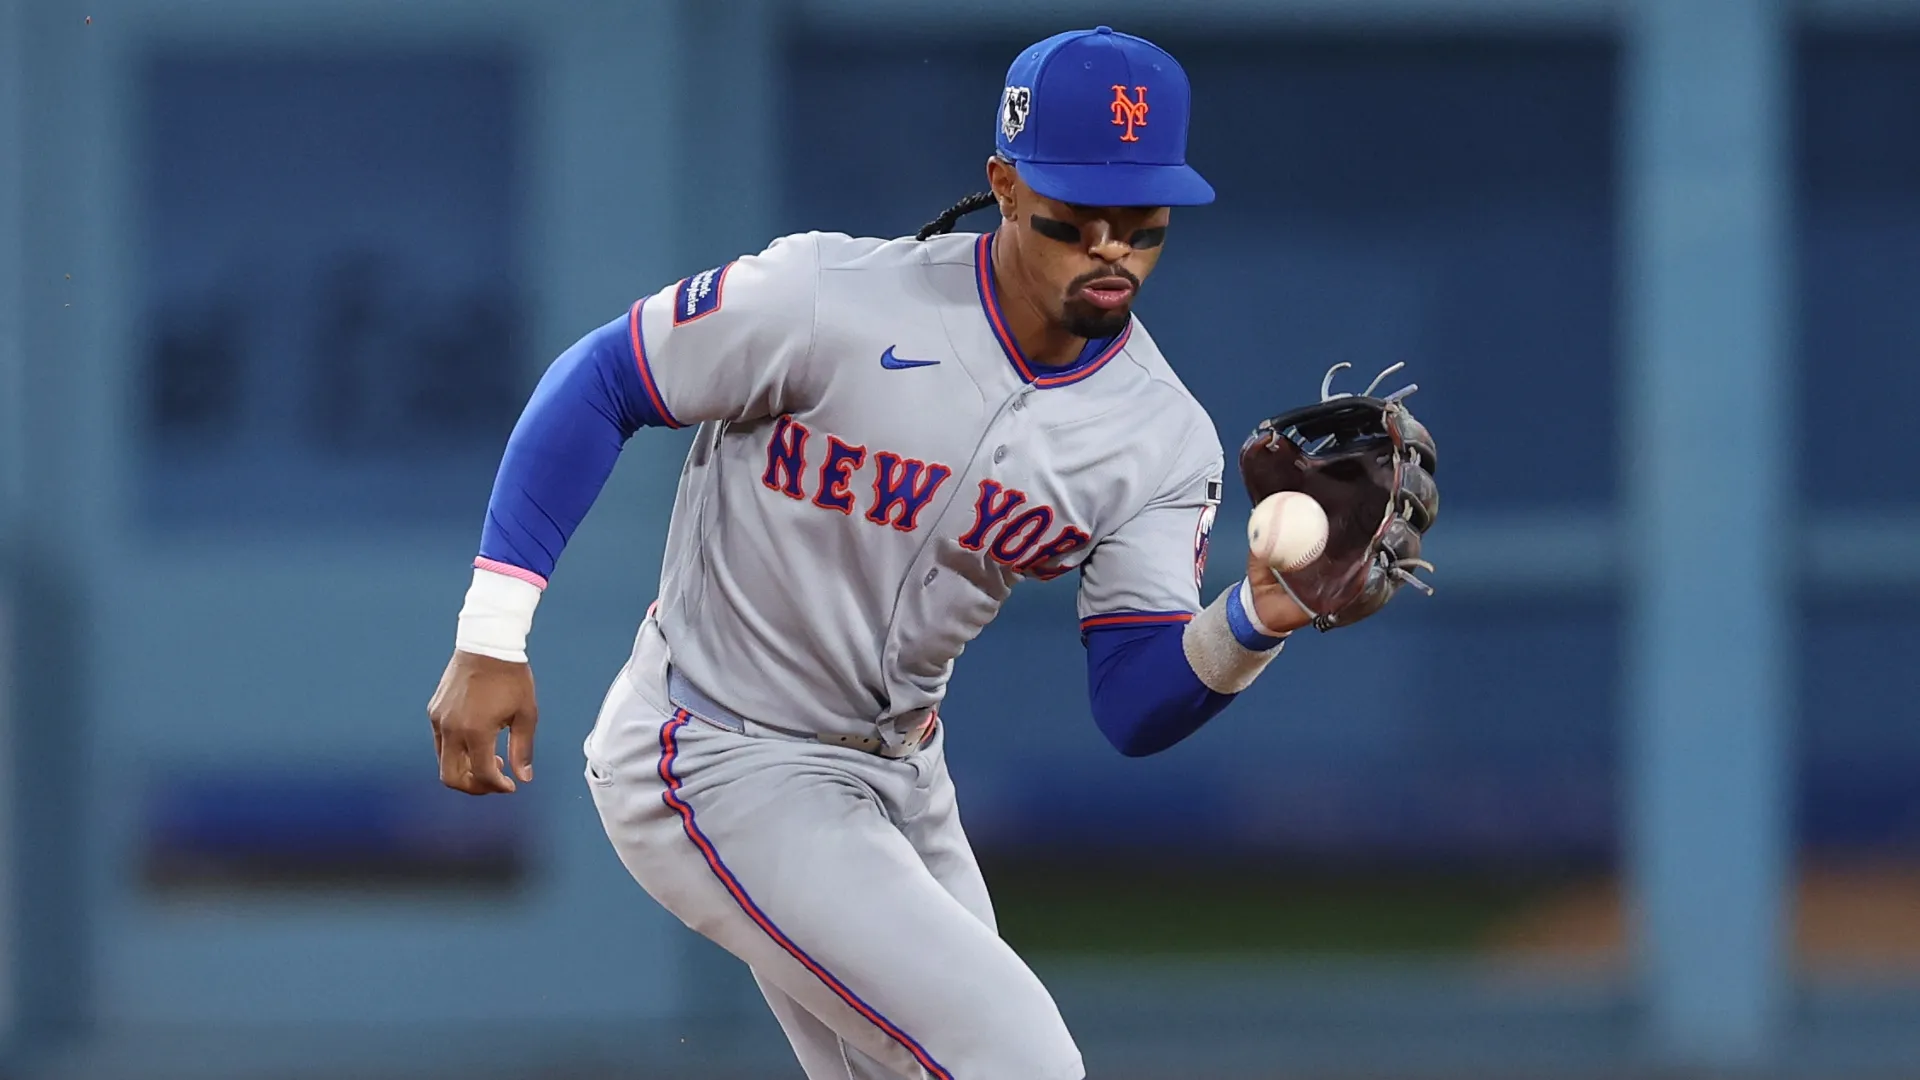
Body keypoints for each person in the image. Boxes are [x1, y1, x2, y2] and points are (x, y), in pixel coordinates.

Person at [427, 26, 1311, 1079]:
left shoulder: (1159, 435)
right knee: (1019, 1062)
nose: (1112, 245)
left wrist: (1257, 618)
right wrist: (491, 634)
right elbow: (601, 380)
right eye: (1077, 215)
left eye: (1144, 220)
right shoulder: (830, 300)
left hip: (899, 778)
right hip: (719, 751)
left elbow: (1133, 698)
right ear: (1003, 182)